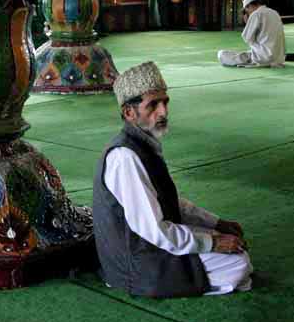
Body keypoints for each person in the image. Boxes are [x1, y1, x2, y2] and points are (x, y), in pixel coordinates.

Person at [92, 61, 252, 298]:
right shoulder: (125, 157)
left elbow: (169, 201)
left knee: (229, 244)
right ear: (129, 112)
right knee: (237, 263)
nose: (163, 112)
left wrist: (216, 223)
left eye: (165, 102)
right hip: (135, 264)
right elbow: (153, 230)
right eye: (153, 105)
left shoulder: (143, 144)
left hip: (146, 245)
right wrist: (213, 243)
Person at [218, 0, 294, 67]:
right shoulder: (274, 12)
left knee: (222, 54)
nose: (248, 13)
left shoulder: (256, 14)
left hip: (263, 57)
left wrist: (247, 23)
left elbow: (247, 38)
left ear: (249, 6)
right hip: (279, 58)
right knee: (248, 53)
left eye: (247, 11)